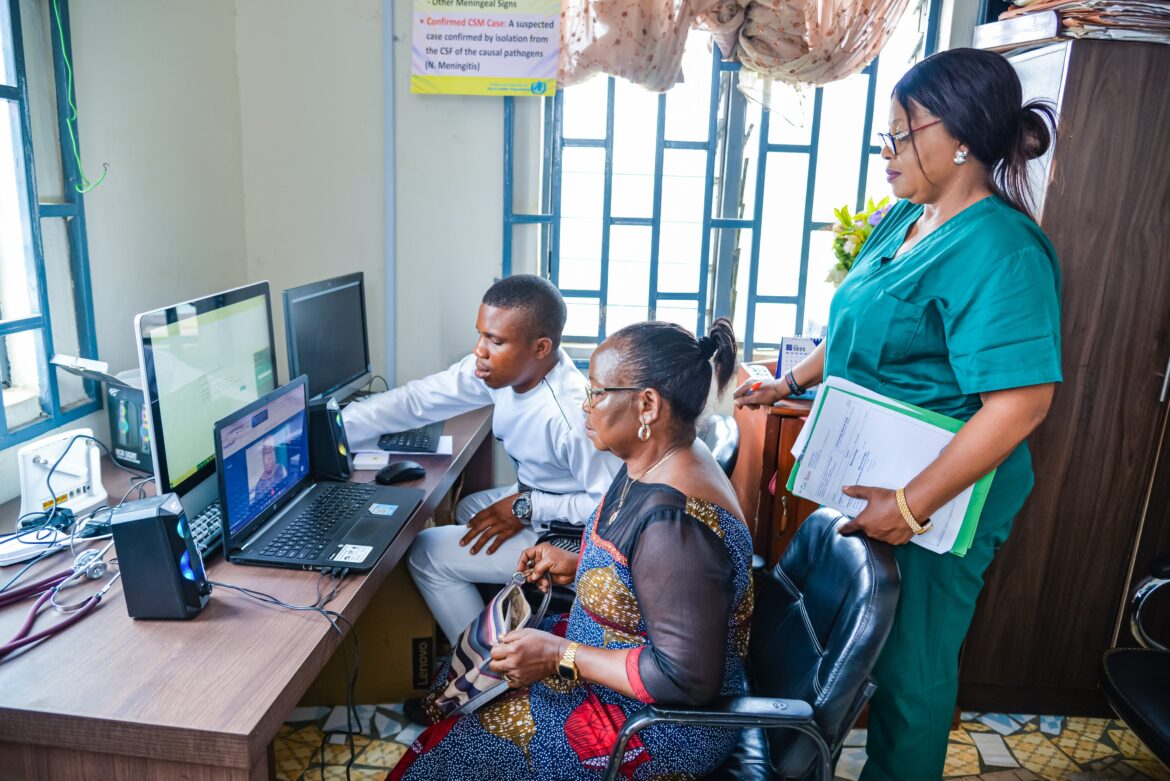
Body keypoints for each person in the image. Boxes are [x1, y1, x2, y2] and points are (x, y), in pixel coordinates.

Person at [735, 48, 1061, 781]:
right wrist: (787, 379)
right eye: (885, 136)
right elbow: (859, 321)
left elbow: (1022, 402)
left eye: (900, 136)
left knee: (913, 671)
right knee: (860, 646)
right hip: (874, 473)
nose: (886, 153)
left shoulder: (1004, 251)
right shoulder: (902, 220)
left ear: (963, 137)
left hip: (944, 497)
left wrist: (912, 506)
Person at [389, 317, 752, 780]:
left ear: (647, 405)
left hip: (650, 731)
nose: (585, 405)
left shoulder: (675, 524)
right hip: (620, 682)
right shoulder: (657, 457)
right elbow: (653, 582)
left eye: (597, 393)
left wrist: (557, 655)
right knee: (470, 687)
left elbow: (683, 680)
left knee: (457, 755)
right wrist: (583, 567)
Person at [343, 275, 620, 644]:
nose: (479, 350)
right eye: (481, 334)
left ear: (540, 348)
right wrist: (335, 432)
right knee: (471, 510)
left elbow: (613, 509)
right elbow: (416, 401)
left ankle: (484, 672)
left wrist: (527, 506)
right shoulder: (507, 372)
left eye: (495, 340)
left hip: (572, 538)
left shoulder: (569, 417)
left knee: (426, 552)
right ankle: (501, 623)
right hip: (542, 497)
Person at [250, 435, 287, 503]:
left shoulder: (281, 469)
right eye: (266, 452)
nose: (270, 457)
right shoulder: (260, 485)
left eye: (272, 450)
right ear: (261, 457)